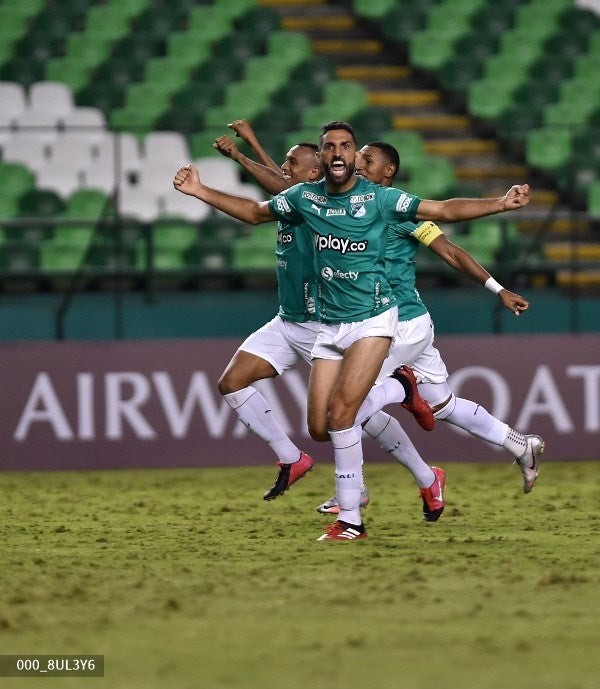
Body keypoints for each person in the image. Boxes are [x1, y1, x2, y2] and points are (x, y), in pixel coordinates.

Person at [173, 120, 531, 542]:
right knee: (327, 426)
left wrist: (502, 206)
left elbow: (446, 216)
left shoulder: (386, 203)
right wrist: (203, 188)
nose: (349, 157)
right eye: (334, 148)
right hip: (329, 324)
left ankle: (351, 514)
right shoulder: (306, 198)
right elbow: (258, 208)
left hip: (385, 321)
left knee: (348, 413)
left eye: (355, 151)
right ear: (324, 158)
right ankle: (502, 444)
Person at [315, 140, 544, 518]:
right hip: (409, 324)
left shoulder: (401, 211)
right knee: (443, 404)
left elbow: (451, 248)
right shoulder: (349, 204)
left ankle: (353, 490)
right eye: (358, 158)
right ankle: (521, 444)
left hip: (396, 326)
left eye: (367, 160)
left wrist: (498, 288)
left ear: (389, 171)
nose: (358, 164)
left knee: (347, 407)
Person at [210, 128, 325, 501]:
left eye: (293, 161)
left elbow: (281, 186)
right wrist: (251, 143)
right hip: (286, 320)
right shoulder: (297, 195)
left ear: (313, 176)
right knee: (232, 382)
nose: (285, 166)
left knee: (355, 414)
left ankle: (421, 475)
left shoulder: (314, 205)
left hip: (320, 325)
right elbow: (284, 181)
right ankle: (291, 458)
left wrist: (242, 156)